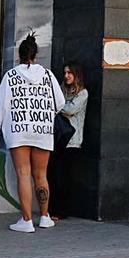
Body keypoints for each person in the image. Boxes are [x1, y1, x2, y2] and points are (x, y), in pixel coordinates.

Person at [0, 33, 66, 232]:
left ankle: (27, 220)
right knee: (41, 174)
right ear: (36, 55)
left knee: (23, 174)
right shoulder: (47, 76)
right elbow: (61, 103)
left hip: (18, 131)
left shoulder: (11, 77)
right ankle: (45, 217)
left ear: (19, 56)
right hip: (42, 131)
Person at [49, 61, 89, 220]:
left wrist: (58, 105)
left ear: (76, 75)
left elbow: (70, 109)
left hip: (72, 140)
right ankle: (53, 209)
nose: (66, 76)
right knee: (54, 175)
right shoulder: (61, 89)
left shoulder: (82, 93)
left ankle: (62, 211)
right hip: (58, 138)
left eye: (69, 73)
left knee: (65, 177)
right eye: (65, 72)